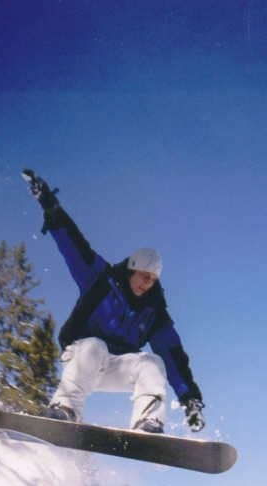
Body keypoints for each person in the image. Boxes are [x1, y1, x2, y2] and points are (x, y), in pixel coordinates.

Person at [22, 169, 205, 434]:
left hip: (116, 367)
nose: (147, 284)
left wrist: (190, 400)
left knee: (153, 363)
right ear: (131, 270)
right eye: (143, 276)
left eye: (153, 280)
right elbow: (74, 245)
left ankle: (148, 424)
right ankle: (65, 409)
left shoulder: (154, 312)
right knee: (94, 346)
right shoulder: (100, 280)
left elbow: (174, 355)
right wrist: (50, 206)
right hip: (82, 358)